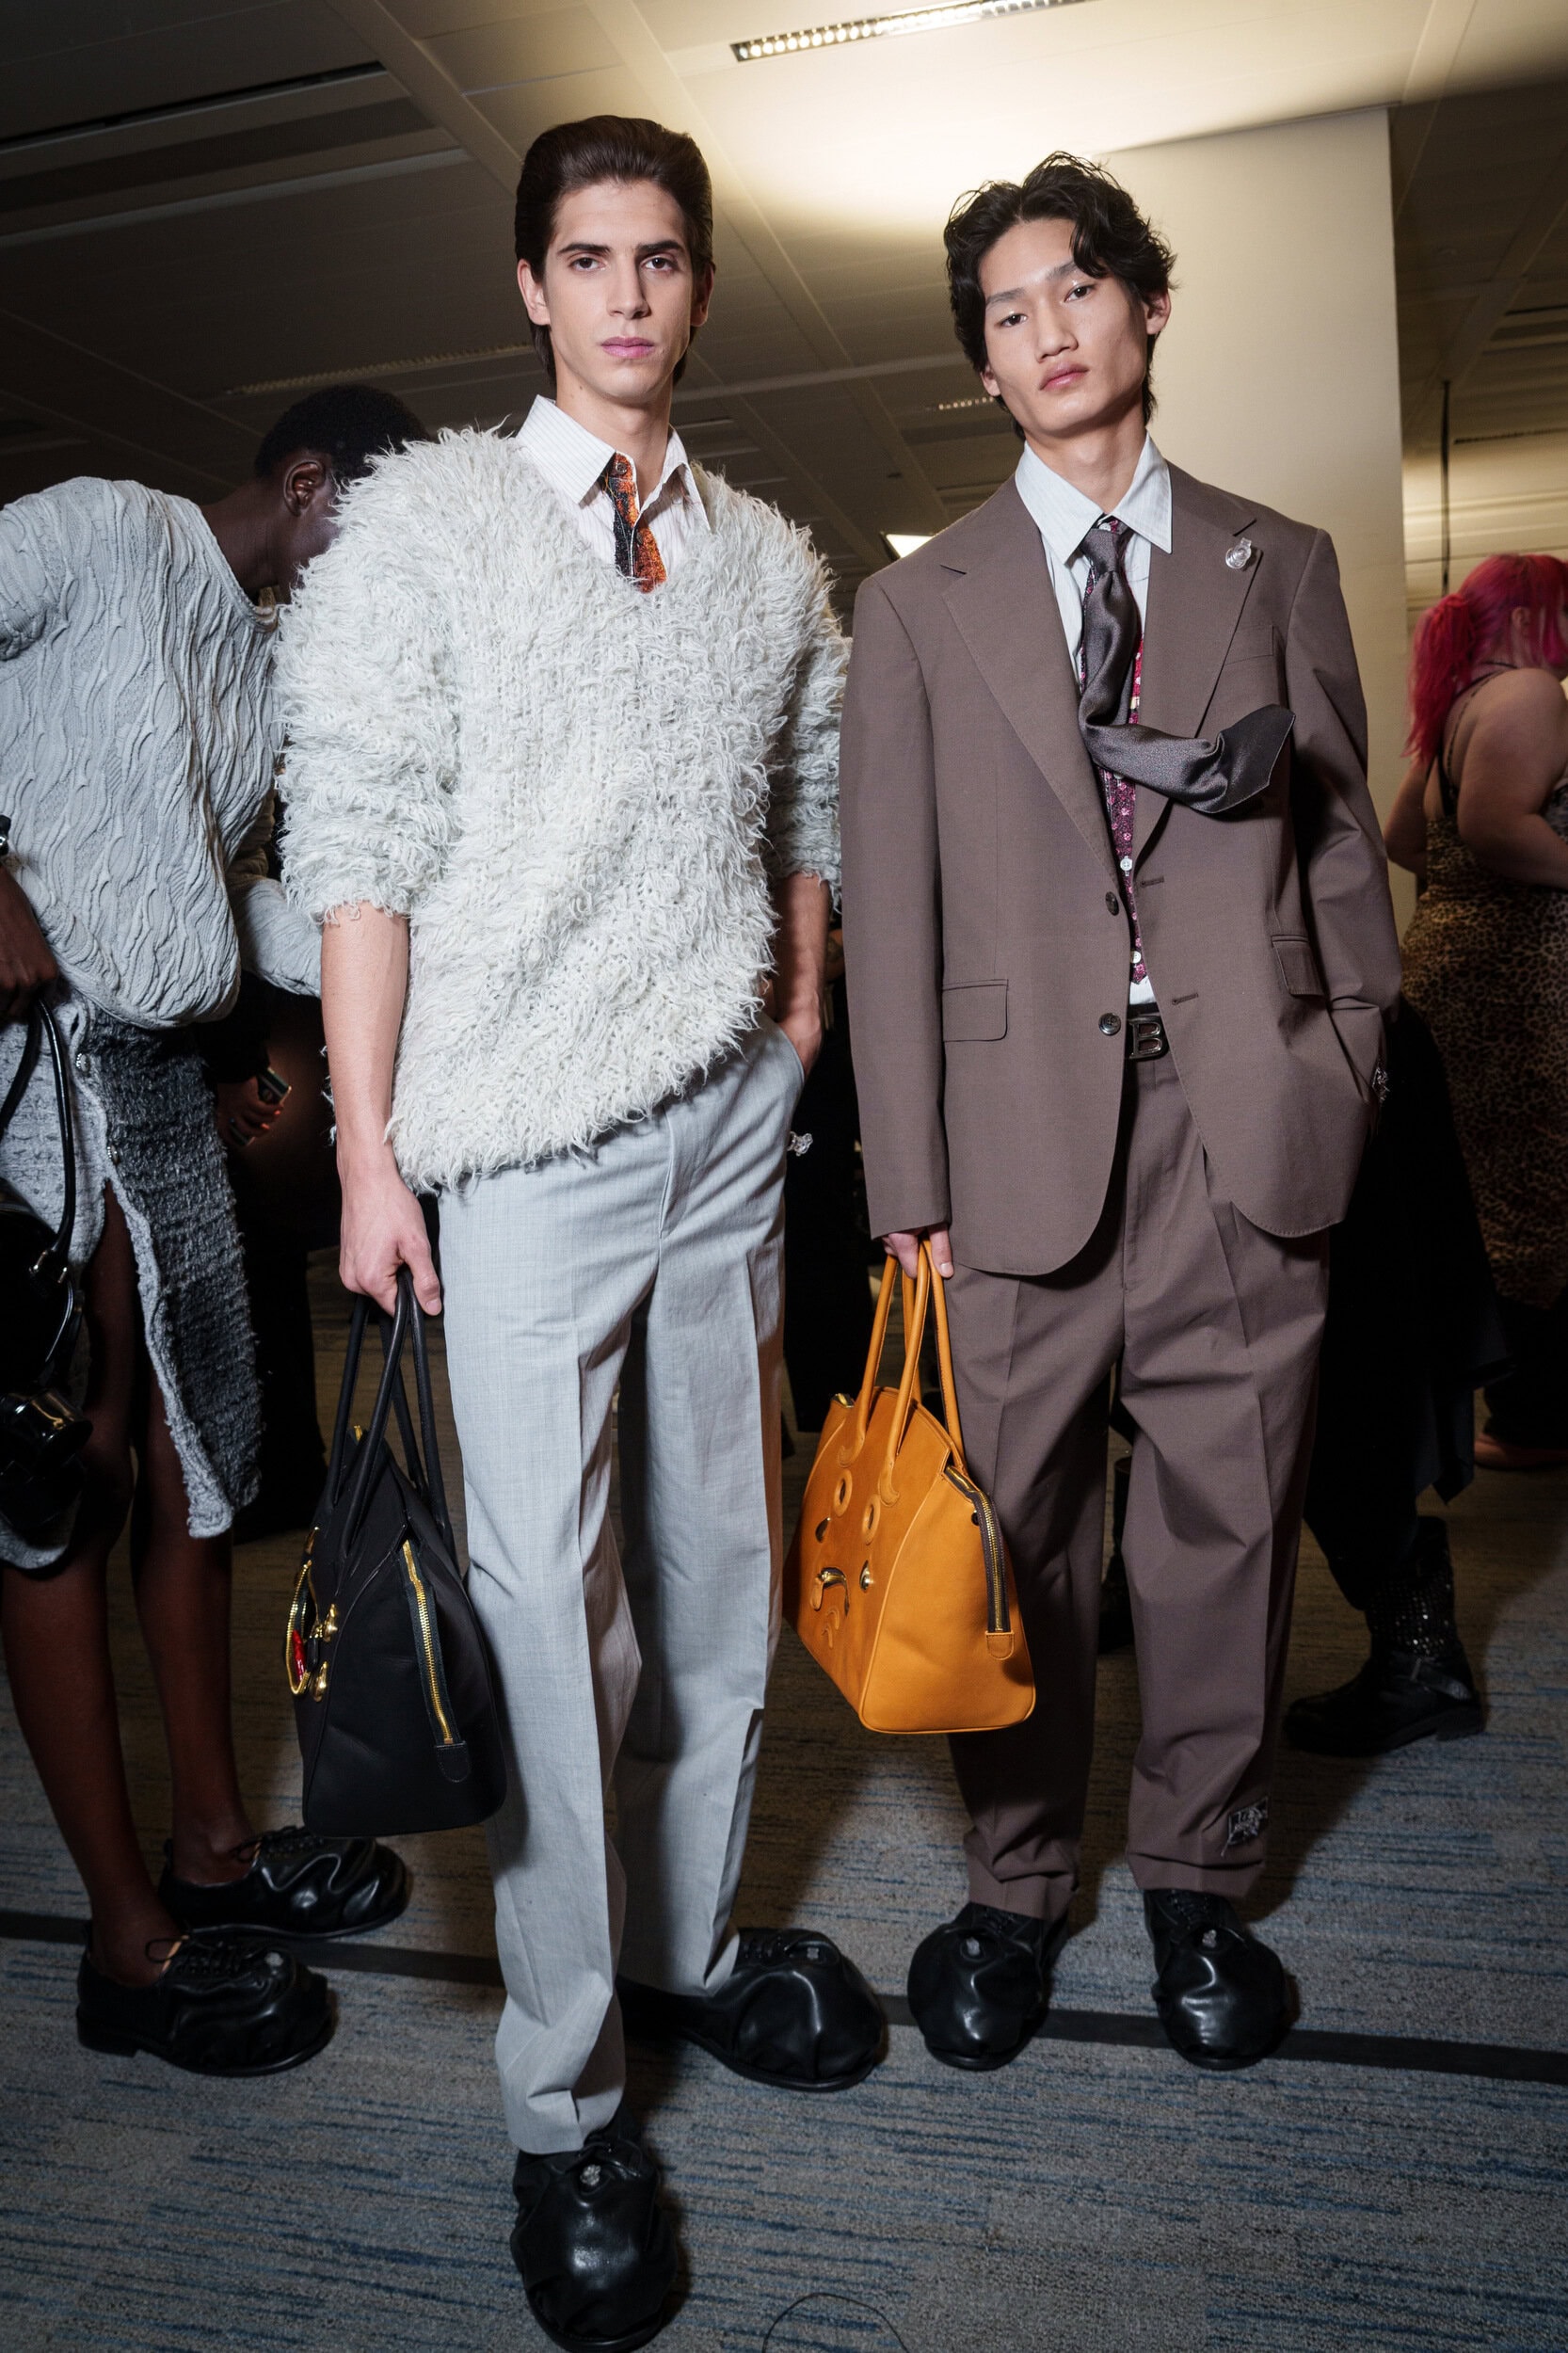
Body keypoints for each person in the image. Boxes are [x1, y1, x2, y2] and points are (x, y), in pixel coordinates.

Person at [276, 116, 881, 2353]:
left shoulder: (762, 553)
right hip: (516, 1140)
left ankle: (690, 1949)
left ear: (697, 288)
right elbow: (358, 841)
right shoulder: (425, 528)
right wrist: (366, 1151)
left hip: (726, 1115)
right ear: (533, 286)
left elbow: (807, 792)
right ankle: (563, 2097)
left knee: (724, 1564)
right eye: (587, 258)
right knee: (553, 1612)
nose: (628, 294)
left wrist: (800, 1011)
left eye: (662, 260)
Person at [840, 153, 1401, 2075]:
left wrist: (1339, 1078)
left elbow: (1337, 869)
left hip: (1240, 1131)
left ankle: (1193, 1878)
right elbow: (891, 912)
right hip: (1001, 1154)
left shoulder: (1276, 560)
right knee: (1018, 1547)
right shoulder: (914, 608)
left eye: (1072, 288)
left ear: (1143, 306)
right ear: (983, 368)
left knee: (1222, 1537)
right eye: (1003, 311)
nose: (1044, 329)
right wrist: (899, 1182)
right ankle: (1009, 1887)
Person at [0, 386, 427, 2076]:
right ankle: (126, 1946)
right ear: (307, 485)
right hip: (40, 1067)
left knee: (200, 1466)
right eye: (370, 552)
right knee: (68, 1478)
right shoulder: (100, 526)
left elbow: (211, 881)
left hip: (169, 1074)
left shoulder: (258, 665)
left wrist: (358, 970)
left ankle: (213, 1850)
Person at [1384, 556, 1568, 1469]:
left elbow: (1401, 838)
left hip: (1449, 970)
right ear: (1537, 615)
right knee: (1540, 1198)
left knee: (1491, 1198)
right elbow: (1498, 827)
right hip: (1520, 979)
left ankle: (1517, 1406)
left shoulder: (1459, 703)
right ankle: (1535, 1416)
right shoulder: (1532, 690)